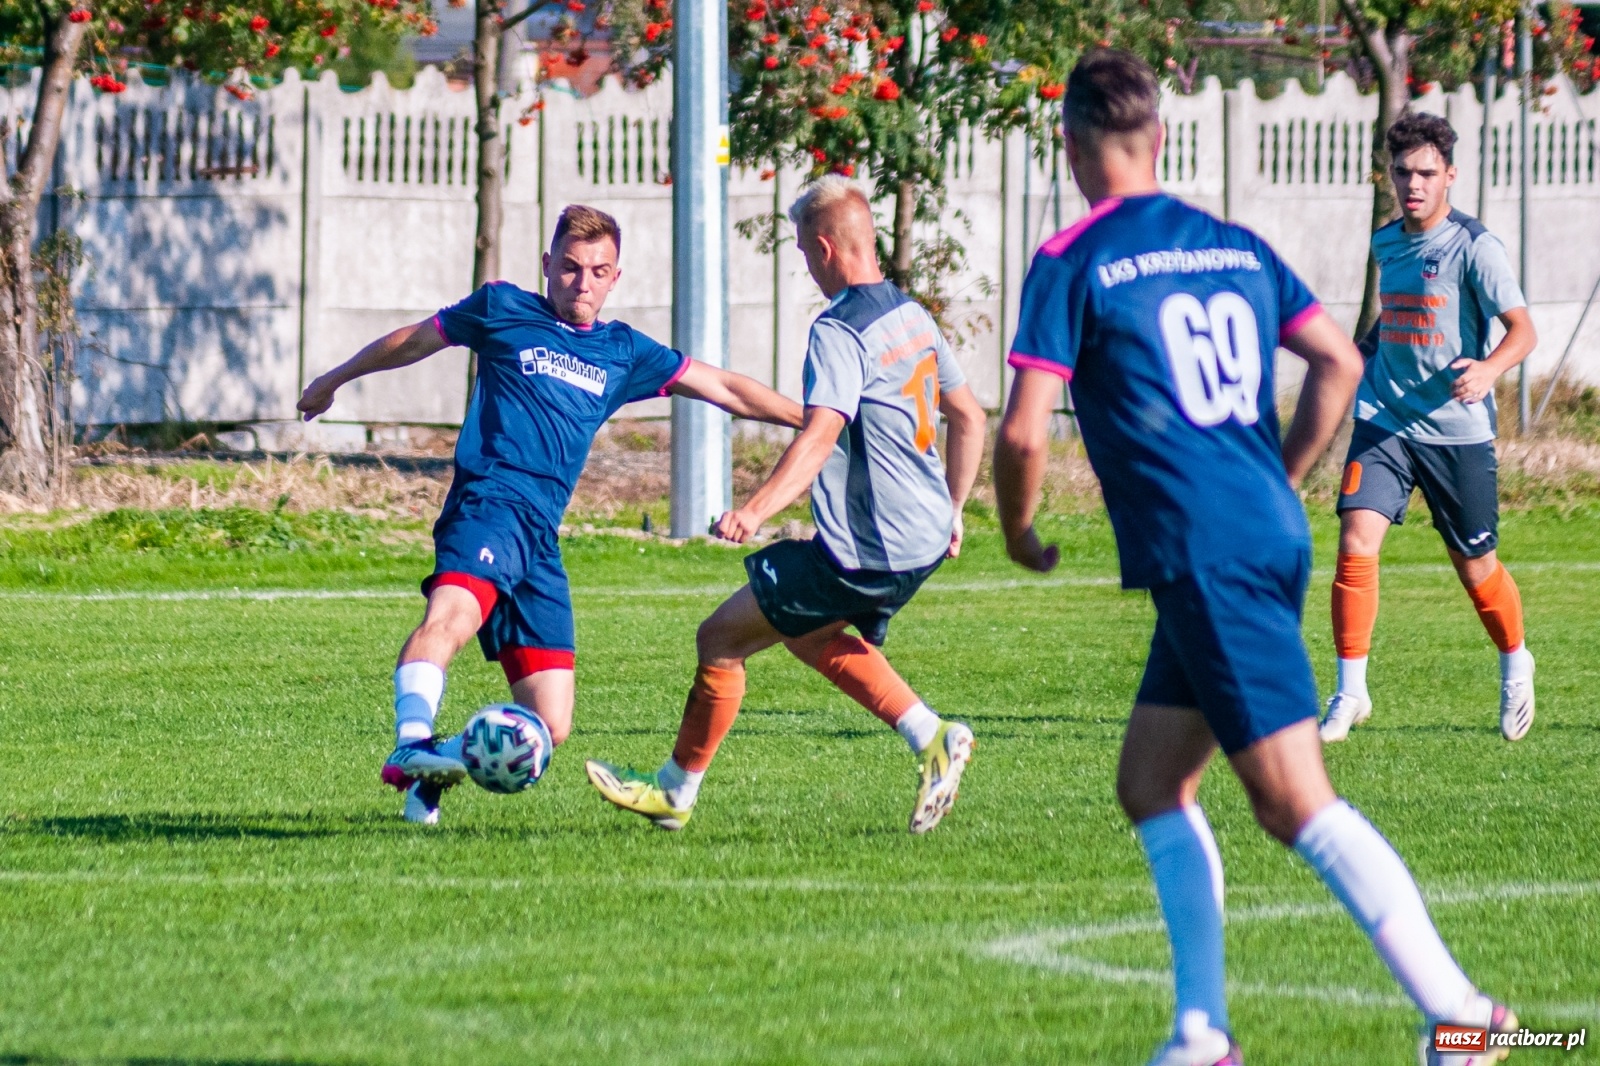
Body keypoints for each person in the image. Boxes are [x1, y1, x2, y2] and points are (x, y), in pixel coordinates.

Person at [993, 50, 1516, 1066]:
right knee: (1150, 782)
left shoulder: (1071, 256)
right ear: (1157, 139)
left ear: (1070, 143)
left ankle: (1464, 1018)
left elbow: (1020, 436)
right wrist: (1274, 476)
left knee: (1292, 801)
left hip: (1205, 546)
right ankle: (1200, 1032)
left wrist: (1018, 531)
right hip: (1250, 532)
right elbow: (1338, 359)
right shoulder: (1227, 241)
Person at [296, 204, 802, 825]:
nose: (581, 282)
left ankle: (435, 769)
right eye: (569, 267)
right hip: (488, 504)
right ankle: (411, 737)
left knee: (549, 724)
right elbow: (415, 340)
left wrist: (815, 419)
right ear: (547, 266)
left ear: (615, 278)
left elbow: (724, 388)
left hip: (541, 536)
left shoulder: (624, 352)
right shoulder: (501, 308)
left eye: (597, 270)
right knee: (451, 615)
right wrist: (337, 377)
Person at [584, 176, 987, 834]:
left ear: (826, 248)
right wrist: (954, 507)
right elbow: (968, 415)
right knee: (802, 631)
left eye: (803, 254)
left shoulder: (840, 332)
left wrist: (756, 511)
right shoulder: (909, 314)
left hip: (872, 546)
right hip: (920, 539)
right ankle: (928, 734)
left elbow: (820, 433)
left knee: (719, 639)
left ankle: (674, 794)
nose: (806, 266)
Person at [1321, 111, 1538, 744]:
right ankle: (1350, 691)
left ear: (1449, 175)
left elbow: (1523, 331)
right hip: (1384, 419)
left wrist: (1490, 369)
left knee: (1476, 568)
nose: (1412, 183)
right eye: (1401, 172)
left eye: (1425, 172)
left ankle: (1514, 660)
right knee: (1356, 543)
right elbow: (1392, 319)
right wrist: (1353, 357)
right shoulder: (1385, 242)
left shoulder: (1476, 246)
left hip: (1456, 433)